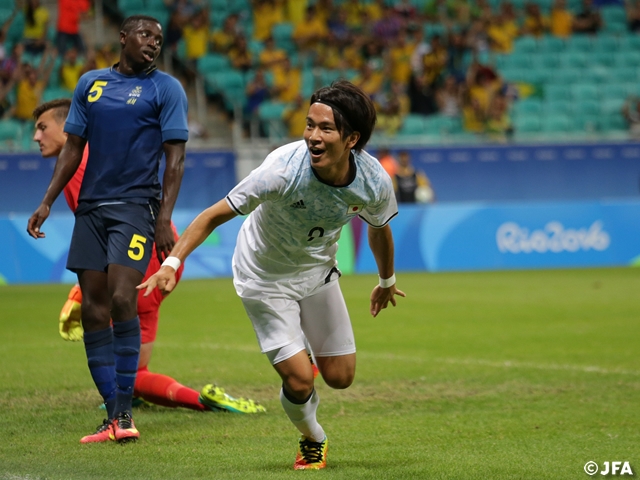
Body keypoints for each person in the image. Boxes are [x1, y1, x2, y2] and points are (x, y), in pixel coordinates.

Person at [139, 80, 405, 470]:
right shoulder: (282, 169)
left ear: (352, 139)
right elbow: (212, 216)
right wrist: (171, 264)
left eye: (325, 129)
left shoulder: (373, 180)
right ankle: (313, 437)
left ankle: (302, 351)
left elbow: (380, 228)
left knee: (341, 377)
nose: (312, 136)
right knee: (300, 381)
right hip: (263, 276)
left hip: (316, 271)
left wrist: (386, 281)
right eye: (309, 125)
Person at [32, 99, 265, 427]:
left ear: (67, 126)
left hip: (144, 262)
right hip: (161, 255)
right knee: (132, 372)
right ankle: (151, 396)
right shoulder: (94, 155)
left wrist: (81, 291)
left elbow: (115, 223)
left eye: (43, 127)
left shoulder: (80, 165)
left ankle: (200, 401)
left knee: (124, 371)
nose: (35, 136)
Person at [26, 15, 188, 445]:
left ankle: (126, 411)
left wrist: (163, 217)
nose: (153, 43)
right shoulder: (91, 84)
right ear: (123, 38)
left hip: (136, 207)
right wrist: (46, 201)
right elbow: (73, 147)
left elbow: (175, 160)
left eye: (158, 38)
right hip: (91, 213)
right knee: (93, 309)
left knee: (121, 298)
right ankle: (113, 417)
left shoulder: (167, 89)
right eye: (145, 36)